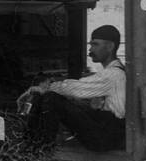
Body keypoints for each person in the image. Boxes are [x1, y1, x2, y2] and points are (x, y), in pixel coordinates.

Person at [17, 24, 126, 152]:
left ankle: (41, 151)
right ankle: (33, 145)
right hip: (107, 128)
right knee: (52, 96)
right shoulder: (113, 71)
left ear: (110, 46)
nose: (90, 50)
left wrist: (46, 87)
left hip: (107, 137)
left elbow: (76, 88)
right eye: (90, 45)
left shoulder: (113, 74)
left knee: (51, 98)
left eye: (95, 44)